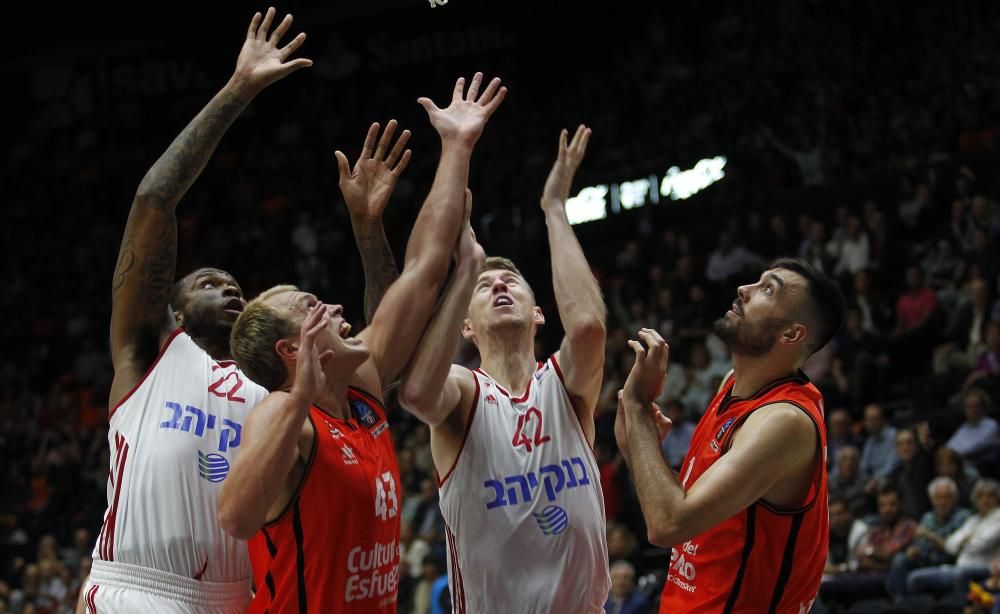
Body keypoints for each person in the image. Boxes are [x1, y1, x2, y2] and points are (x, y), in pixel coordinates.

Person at [219, 72, 507, 613]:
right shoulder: (285, 415)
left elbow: (423, 271)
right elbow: (235, 518)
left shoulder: (361, 391)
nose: (330, 306)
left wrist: (456, 146)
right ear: (291, 350)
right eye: (309, 308)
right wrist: (300, 397)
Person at [81, 9, 316, 612]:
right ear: (174, 310)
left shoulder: (273, 389)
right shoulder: (150, 353)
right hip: (137, 589)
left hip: (237, 598)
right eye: (209, 282)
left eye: (237, 284)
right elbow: (154, 200)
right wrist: (238, 91)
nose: (231, 289)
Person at [397, 126, 611, 612]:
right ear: (466, 326)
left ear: (538, 313)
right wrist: (463, 273)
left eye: (511, 280)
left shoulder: (564, 386)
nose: (499, 286)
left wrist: (554, 207)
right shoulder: (464, 391)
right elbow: (416, 395)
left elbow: (588, 329)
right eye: (484, 284)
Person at [615, 258, 846, 612]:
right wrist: (637, 448)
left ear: (791, 334)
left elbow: (668, 524)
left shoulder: (783, 420)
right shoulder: (732, 387)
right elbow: (698, 511)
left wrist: (636, 409)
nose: (744, 289)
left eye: (768, 289)